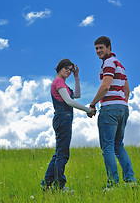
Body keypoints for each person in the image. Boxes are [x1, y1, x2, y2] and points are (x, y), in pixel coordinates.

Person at [89, 36, 136, 191]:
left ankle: (113, 185)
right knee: (118, 145)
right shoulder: (120, 65)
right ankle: (130, 181)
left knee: (107, 146)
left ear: (109, 47)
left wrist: (92, 104)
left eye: (101, 48)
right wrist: (122, 103)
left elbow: (105, 86)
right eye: (96, 48)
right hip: (122, 108)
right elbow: (127, 90)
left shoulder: (108, 63)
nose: (98, 51)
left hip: (110, 108)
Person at [40, 59, 95, 192]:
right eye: (67, 69)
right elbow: (69, 101)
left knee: (59, 153)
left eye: (71, 70)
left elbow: (77, 95)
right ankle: (60, 186)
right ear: (59, 68)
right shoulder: (58, 82)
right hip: (62, 119)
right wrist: (88, 110)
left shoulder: (63, 84)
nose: (69, 71)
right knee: (63, 154)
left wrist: (76, 78)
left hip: (64, 120)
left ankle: (46, 183)